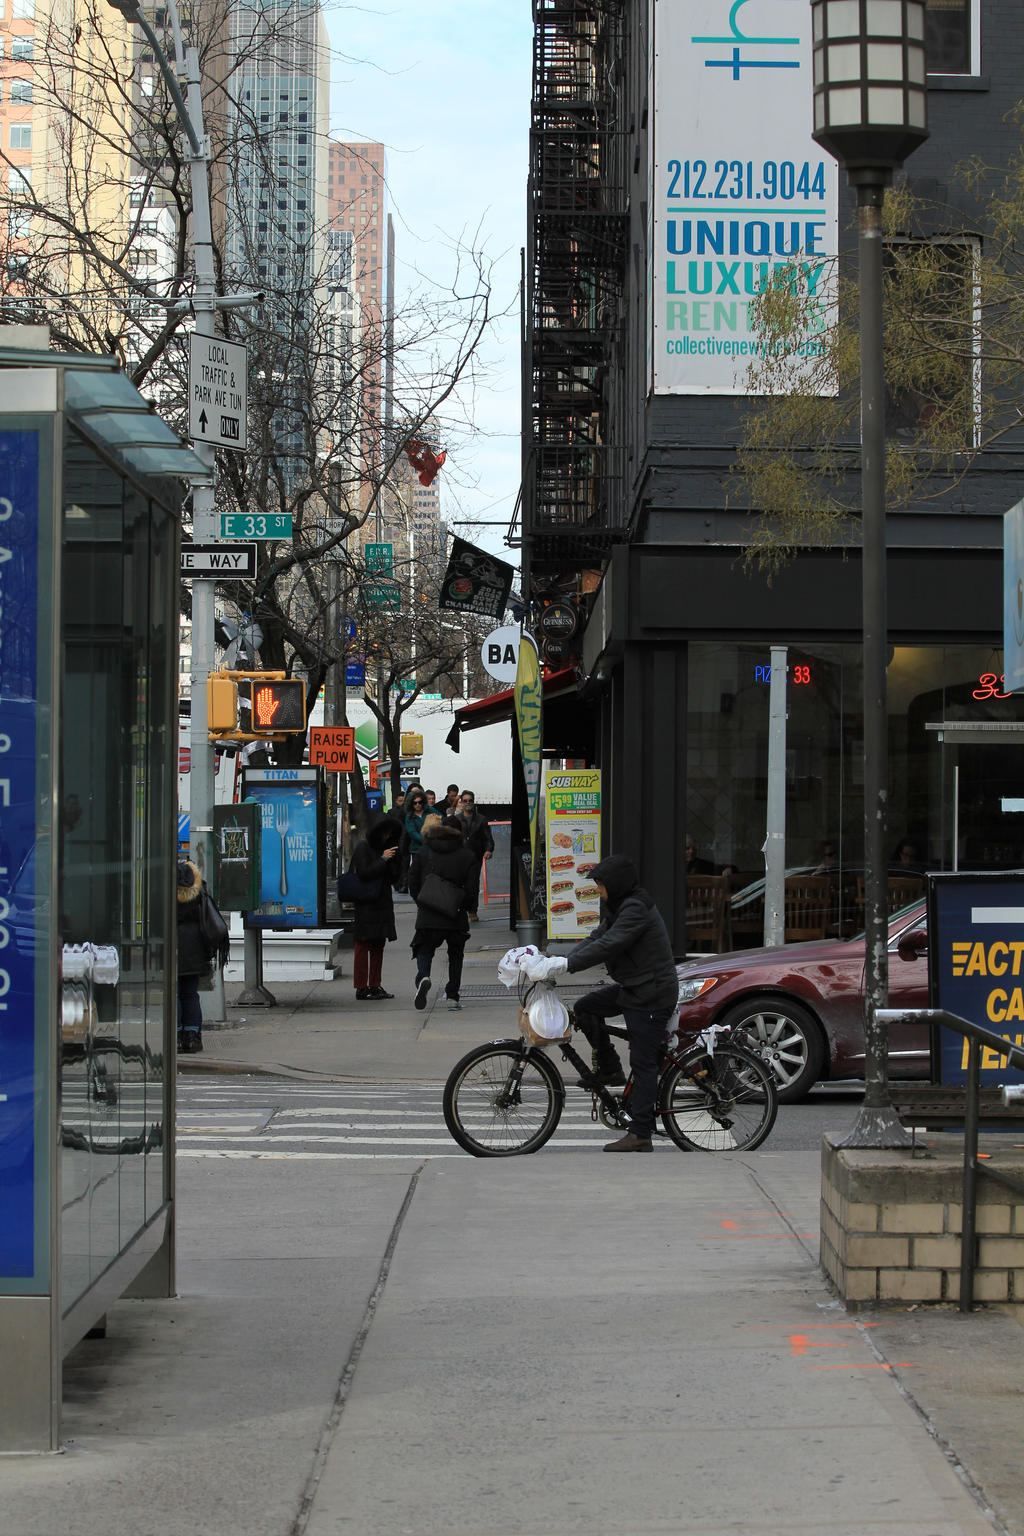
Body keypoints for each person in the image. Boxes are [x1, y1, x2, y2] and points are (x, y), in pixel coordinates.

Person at [525, 855, 678, 1153]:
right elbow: (597, 937)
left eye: (600, 884)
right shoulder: (619, 905)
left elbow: (610, 945)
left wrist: (567, 965)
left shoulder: (635, 909)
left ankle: (641, 1133)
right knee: (586, 1008)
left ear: (615, 884)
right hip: (635, 987)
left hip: (652, 993)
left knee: (644, 1063)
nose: (597, 889)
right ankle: (610, 1070)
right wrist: (555, 961)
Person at [408, 814, 477, 1011]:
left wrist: (421, 900)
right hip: (455, 913)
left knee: (424, 948)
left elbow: (412, 881)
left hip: (428, 911)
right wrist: (463, 906)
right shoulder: (467, 856)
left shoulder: (423, 852)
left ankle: (424, 976)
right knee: (456, 955)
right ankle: (452, 996)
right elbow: (472, 889)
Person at [176, 858, 229, 1053]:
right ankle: (193, 1037)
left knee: (174, 995)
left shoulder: (164, 886)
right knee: (190, 994)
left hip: (173, 947)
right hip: (195, 947)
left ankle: (177, 1037)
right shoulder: (198, 886)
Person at [349, 817, 401, 999]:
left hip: (382, 903)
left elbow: (394, 878)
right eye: (385, 833)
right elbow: (364, 873)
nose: (387, 836)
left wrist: (394, 861)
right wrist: (383, 859)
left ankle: (375, 984)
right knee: (363, 944)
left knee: (379, 944)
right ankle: (361, 986)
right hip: (366, 903)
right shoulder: (364, 847)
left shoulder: (386, 849)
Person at [453, 789, 494, 920]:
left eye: (470, 800)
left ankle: (472, 910)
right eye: (465, 801)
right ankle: (460, 909)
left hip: (475, 857)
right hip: (459, 857)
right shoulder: (456, 819)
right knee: (459, 884)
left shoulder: (481, 819)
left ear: (474, 802)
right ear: (461, 802)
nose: (468, 803)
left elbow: (488, 838)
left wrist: (489, 850)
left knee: (473, 885)